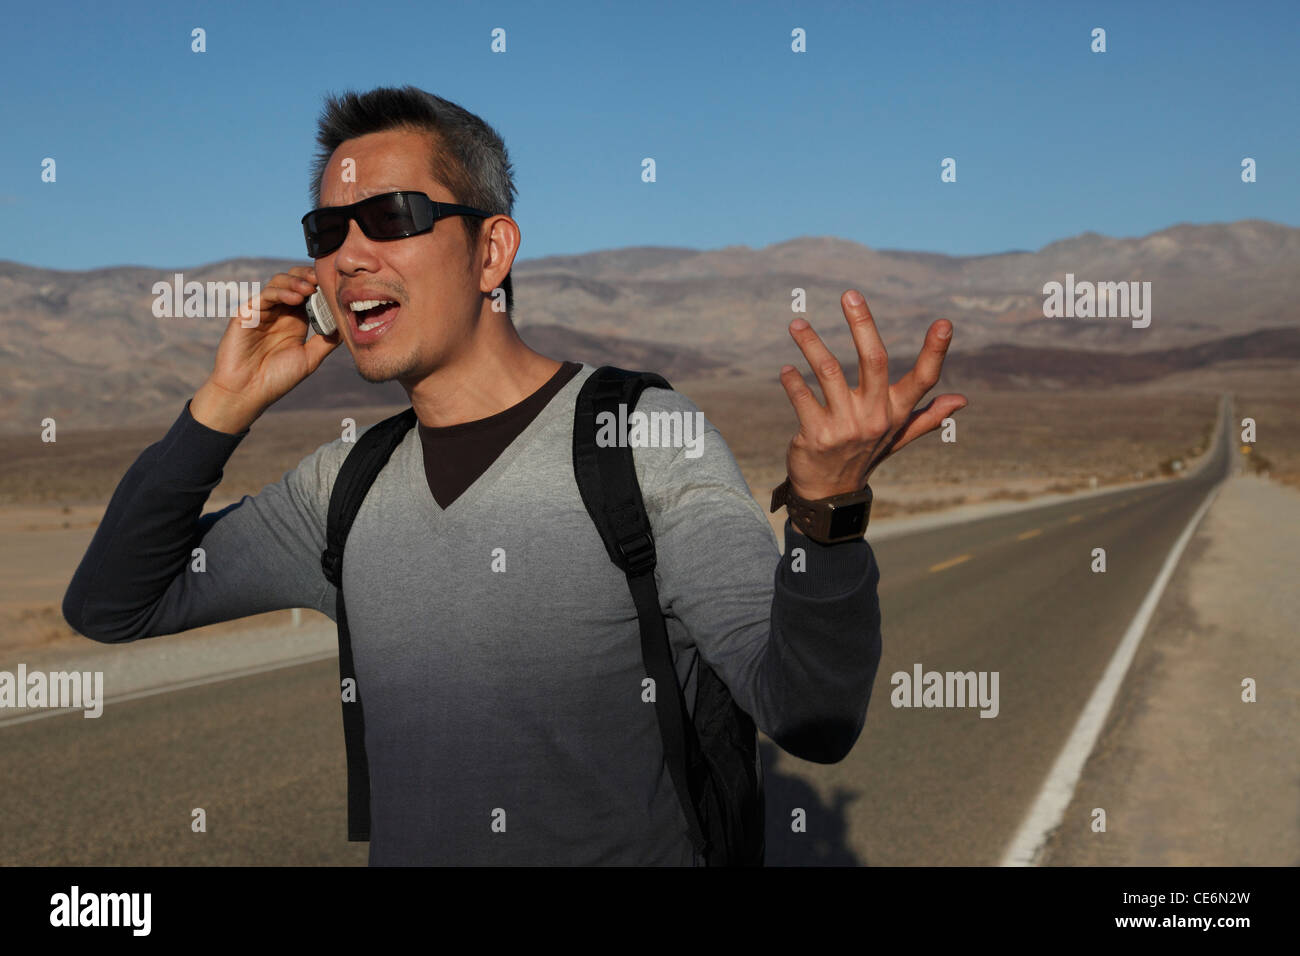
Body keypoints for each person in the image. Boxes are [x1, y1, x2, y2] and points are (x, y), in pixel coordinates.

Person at [62, 85, 967, 865]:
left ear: (492, 252)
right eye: (328, 229)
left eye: (392, 218)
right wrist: (223, 406)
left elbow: (809, 715)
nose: (347, 256)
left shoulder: (639, 441)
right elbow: (113, 604)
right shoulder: (341, 487)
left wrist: (828, 512)